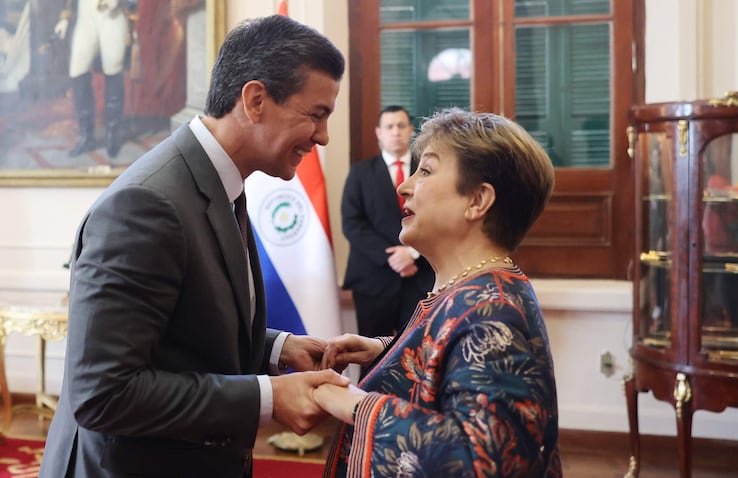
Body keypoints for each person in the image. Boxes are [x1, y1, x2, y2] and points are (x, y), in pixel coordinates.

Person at [39, 15, 350, 478]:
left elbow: (183, 325)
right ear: (256, 100)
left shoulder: (219, 181)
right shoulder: (144, 204)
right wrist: (269, 396)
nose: (323, 136)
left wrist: (277, 348)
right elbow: (103, 394)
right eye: (316, 114)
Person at [315, 108, 562, 477]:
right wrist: (387, 350)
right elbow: (451, 359)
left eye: (426, 170)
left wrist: (356, 404)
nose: (405, 186)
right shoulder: (472, 287)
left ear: (477, 201)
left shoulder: (492, 311)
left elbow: (481, 461)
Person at [341, 105, 435, 337]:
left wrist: (412, 253)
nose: (396, 132)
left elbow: (439, 217)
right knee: (370, 358)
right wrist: (392, 257)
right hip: (373, 281)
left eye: (401, 126)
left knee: (417, 356)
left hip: (420, 278)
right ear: (379, 133)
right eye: (389, 126)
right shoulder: (360, 173)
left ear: (411, 130)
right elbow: (352, 223)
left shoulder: (429, 173)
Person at [54, 0, 132, 157]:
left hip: (113, 17)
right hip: (86, 18)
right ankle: (86, 136)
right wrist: (65, 17)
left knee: (113, 70)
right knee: (77, 71)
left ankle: (112, 136)